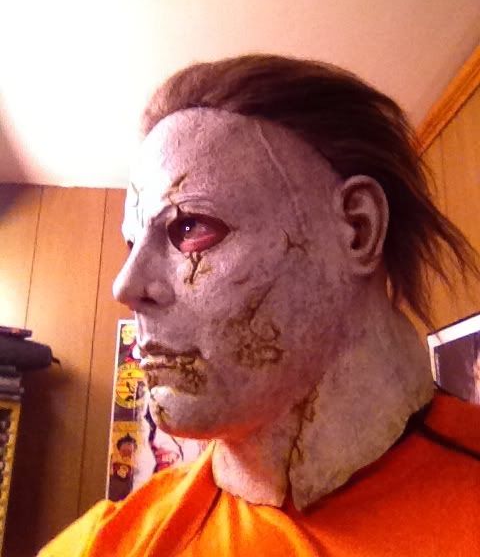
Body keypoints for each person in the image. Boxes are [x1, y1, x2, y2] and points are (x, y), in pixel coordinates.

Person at [39, 55, 480, 556]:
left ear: (358, 228)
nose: (125, 286)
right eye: (131, 244)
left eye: (189, 227)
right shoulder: (109, 544)